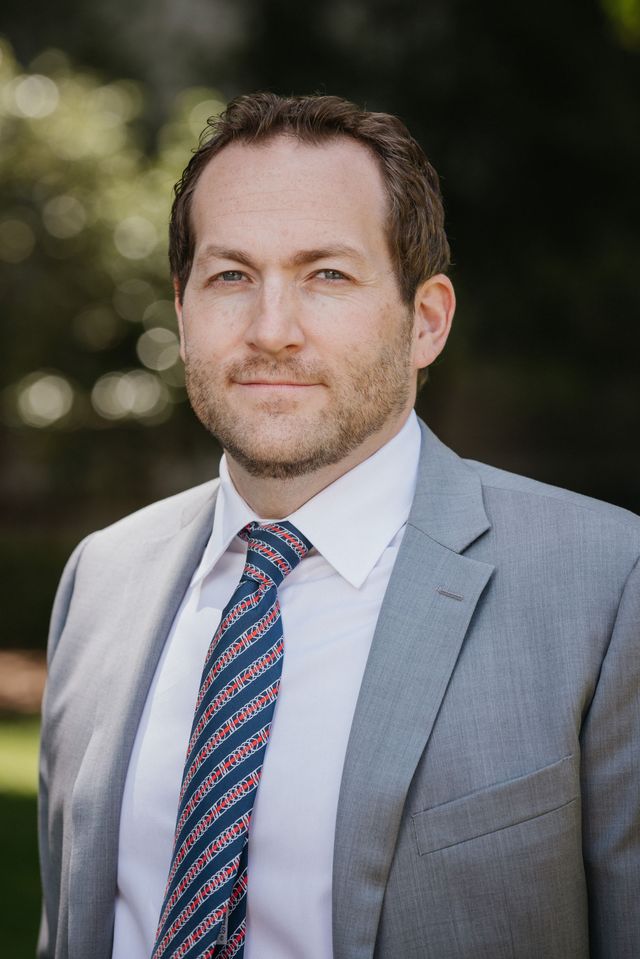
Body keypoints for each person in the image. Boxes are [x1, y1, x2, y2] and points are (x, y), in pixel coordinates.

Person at [38, 93, 639, 959]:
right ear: (182, 310)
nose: (271, 330)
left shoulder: (609, 585)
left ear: (426, 320)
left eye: (326, 274)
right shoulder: (101, 576)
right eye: (231, 276)